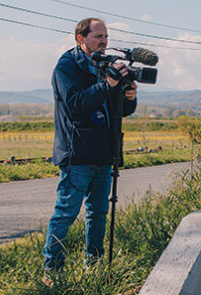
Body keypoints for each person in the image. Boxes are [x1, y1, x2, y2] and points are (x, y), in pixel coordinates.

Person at [43, 17, 138, 274]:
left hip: (104, 154)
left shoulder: (103, 67)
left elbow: (118, 111)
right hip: (77, 154)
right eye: (98, 37)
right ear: (80, 39)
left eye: (106, 37)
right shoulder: (66, 67)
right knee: (65, 214)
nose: (104, 42)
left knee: (97, 215)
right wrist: (108, 84)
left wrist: (128, 96)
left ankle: (94, 269)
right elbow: (76, 104)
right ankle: (53, 271)